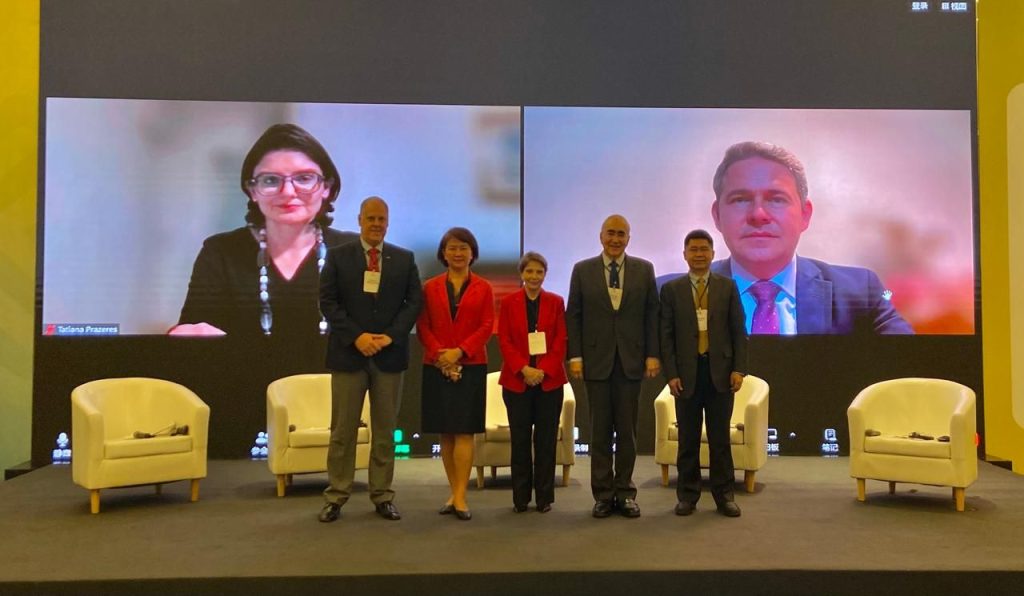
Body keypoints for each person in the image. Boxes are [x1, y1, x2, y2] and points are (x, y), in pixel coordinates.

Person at [172, 123, 358, 337]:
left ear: (327, 187)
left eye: (304, 178)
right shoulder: (220, 252)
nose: (287, 192)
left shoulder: (356, 253)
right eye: (270, 180)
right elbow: (189, 337)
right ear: (252, 190)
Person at [708, 141, 913, 335]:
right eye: (740, 200)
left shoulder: (861, 293)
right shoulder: (687, 295)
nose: (758, 214)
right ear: (717, 216)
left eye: (776, 199)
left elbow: (910, 356)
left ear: (804, 215)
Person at [317, 196, 423, 523]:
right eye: (371, 218)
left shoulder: (403, 259)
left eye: (381, 219)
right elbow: (328, 302)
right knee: (342, 432)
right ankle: (336, 495)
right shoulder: (338, 256)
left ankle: (382, 495)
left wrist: (390, 336)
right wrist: (357, 337)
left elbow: (413, 303)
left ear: (387, 222)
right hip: (349, 355)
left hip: (389, 357)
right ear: (359, 220)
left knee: (385, 432)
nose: (376, 224)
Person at [566, 214, 660, 519]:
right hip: (596, 362)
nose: (615, 239)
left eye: (621, 234)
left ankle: (626, 493)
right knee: (600, 432)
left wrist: (653, 354)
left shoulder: (644, 269)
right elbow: (574, 316)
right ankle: (603, 495)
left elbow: (652, 315)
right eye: (611, 233)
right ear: (601, 236)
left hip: (631, 362)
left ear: (628, 239)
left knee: (628, 432)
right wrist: (575, 356)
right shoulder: (582, 270)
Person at [660, 229, 748, 518]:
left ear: (713, 254)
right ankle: (687, 496)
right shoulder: (671, 290)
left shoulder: (727, 287)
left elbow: (738, 331)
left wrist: (738, 369)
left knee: (720, 440)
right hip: (686, 375)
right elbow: (666, 336)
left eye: (703, 249)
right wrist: (671, 374)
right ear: (684, 254)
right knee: (687, 439)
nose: (698, 254)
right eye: (693, 250)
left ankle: (724, 496)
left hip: (720, 373)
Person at [417, 227, 495, 521]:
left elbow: (486, 326)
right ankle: (455, 491)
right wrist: (441, 354)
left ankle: (461, 496)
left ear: (472, 253)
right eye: (452, 248)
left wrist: (459, 352)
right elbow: (423, 325)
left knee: (464, 431)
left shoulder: (484, 287)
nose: (458, 253)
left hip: (471, 365)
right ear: (443, 253)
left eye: (463, 248)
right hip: (436, 365)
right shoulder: (430, 287)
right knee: (446, 432)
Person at [497, 251, 568, 513]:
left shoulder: (556, 302)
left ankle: (544, 498)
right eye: (529, 271)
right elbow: (504, 339)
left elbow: (561, 340)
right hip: (517, 382)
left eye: (539, 272)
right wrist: (524, 369)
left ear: (545, 275)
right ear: (521, 274)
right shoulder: (508, 302)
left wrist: (543, 370)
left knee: (546, 442)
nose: (534, 276)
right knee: (520, 442)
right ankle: (520, 498)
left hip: (549, 383)